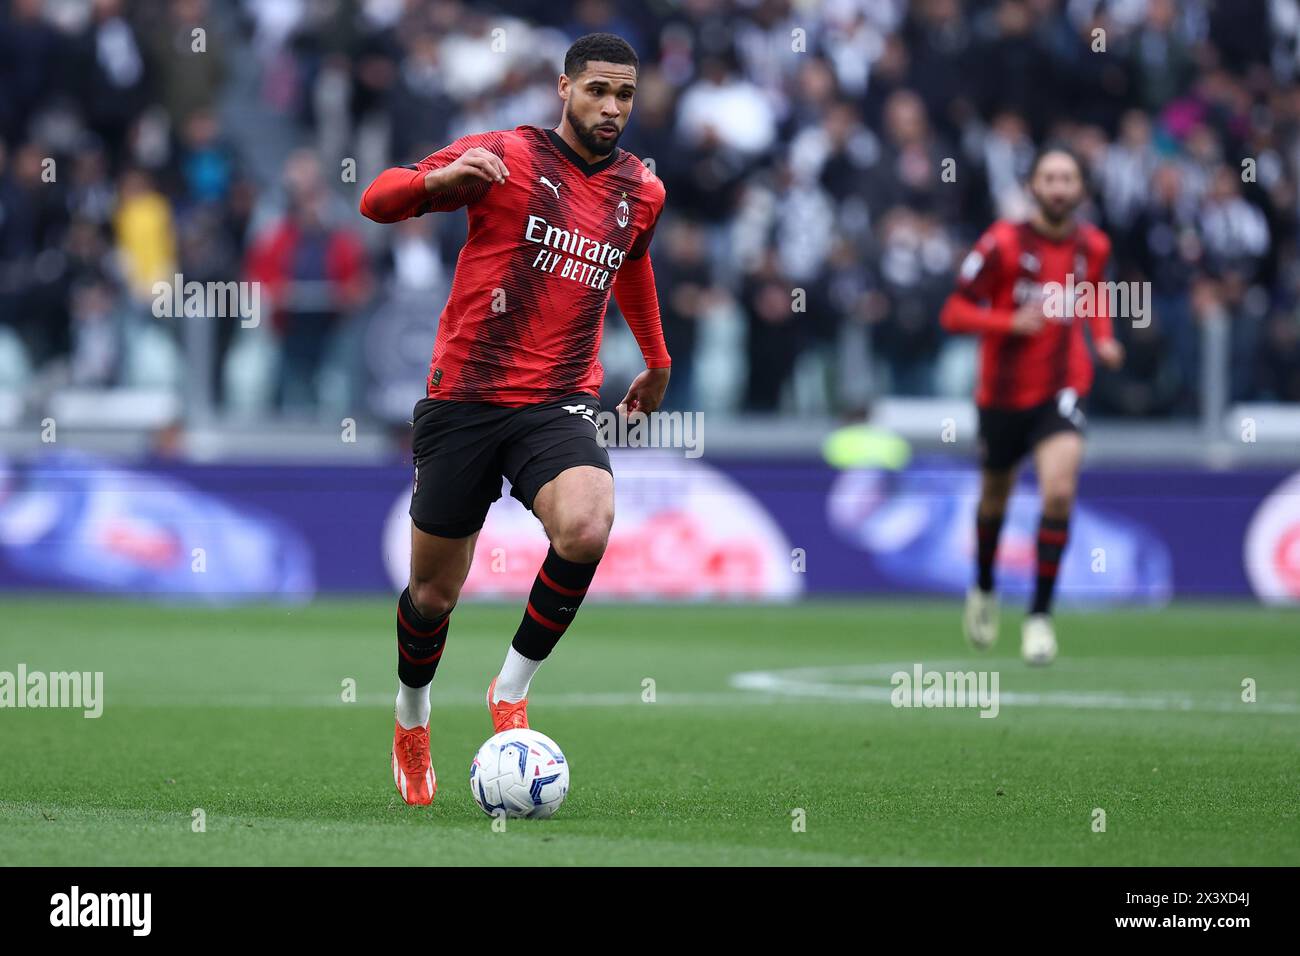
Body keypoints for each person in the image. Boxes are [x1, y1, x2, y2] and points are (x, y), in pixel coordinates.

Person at [359, 33, 670, 805]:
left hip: (558, 399)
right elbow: (375, 200)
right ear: (564, 88)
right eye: (597, 90)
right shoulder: (503, 154)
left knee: (589, 525)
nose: (611, 107)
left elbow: (631, 263)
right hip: (464, 396)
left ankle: (509, 690)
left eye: (624, 95)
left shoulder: (641, 189)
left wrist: (657, 360)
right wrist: (441, 182)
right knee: (432, 596)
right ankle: (412, 714)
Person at [940, 147, 1123, 665]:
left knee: (1059, 492)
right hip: (1001, 394)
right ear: (1033, 187)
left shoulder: (1094, 244)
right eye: (1050, 178)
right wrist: (1006, 323)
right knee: (994, 496)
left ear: (1081, 189)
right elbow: (952, 312)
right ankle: (983, 585)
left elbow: (1094, 297)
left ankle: (1040, 616)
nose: (1060, 187)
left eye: (1068, 178)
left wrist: (1103, 339)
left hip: (1063, 386)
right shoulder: (1001, 243)